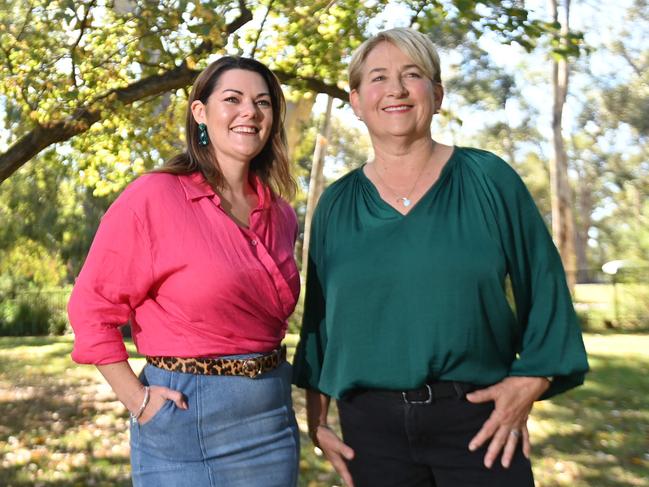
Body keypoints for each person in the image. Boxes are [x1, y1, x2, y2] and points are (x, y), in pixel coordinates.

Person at [292, 27, 589, 487]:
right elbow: (320, 323)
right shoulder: (336, 203)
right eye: (378, 77)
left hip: (479, 423)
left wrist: (532, 380)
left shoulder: (488, 179)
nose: (395, 89)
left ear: (437, 93)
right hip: (370, 431)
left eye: (412, 74)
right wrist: (318, 422)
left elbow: (545, 284)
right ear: (355, 100)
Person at [68, 56, 301, 487]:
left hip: (272, 418)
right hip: (184, 417)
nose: (249, 111)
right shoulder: (154, 197)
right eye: (232, 99)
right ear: (201, 112)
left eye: (263, 102)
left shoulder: (281, 213)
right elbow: (90, 309)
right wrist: (138, 402)